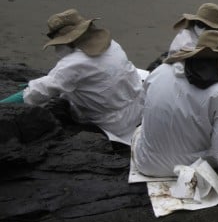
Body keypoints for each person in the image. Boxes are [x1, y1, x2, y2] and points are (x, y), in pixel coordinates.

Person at [132, 30, 218, 178]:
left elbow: (142, 106)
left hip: (146, 164)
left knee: (141, 130)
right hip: (189, 169)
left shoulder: (159, 72)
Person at [1, 9, 142, 142]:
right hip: (139, 108)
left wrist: (3, 106)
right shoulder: (111, 44)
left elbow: (38, 92)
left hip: (113, 123)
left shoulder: (73, 64)